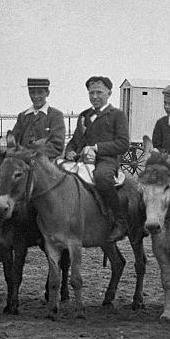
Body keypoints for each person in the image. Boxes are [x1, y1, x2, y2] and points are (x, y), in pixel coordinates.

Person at [64, 75, 130, 240]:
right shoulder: (84, 115)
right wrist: (69, 151)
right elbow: (74, 141)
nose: (95, 96)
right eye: (91, 93)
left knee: (101, 177)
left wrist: (97, 148)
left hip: (106, 161)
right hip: (81, 161)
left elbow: (123, 144)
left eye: (99, 92)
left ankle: (119, 220)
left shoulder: (117, 115)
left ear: (109, 93)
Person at [9, 77, 66, 157]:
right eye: (32, 92)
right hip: (22, 162)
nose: (36, 96)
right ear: (28, 93)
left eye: (40, 92)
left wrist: (32, 153)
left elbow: (57, 146)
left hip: (46, 162)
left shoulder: (56, 115)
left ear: (47, 93)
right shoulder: (22, 116)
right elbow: (14, 142)